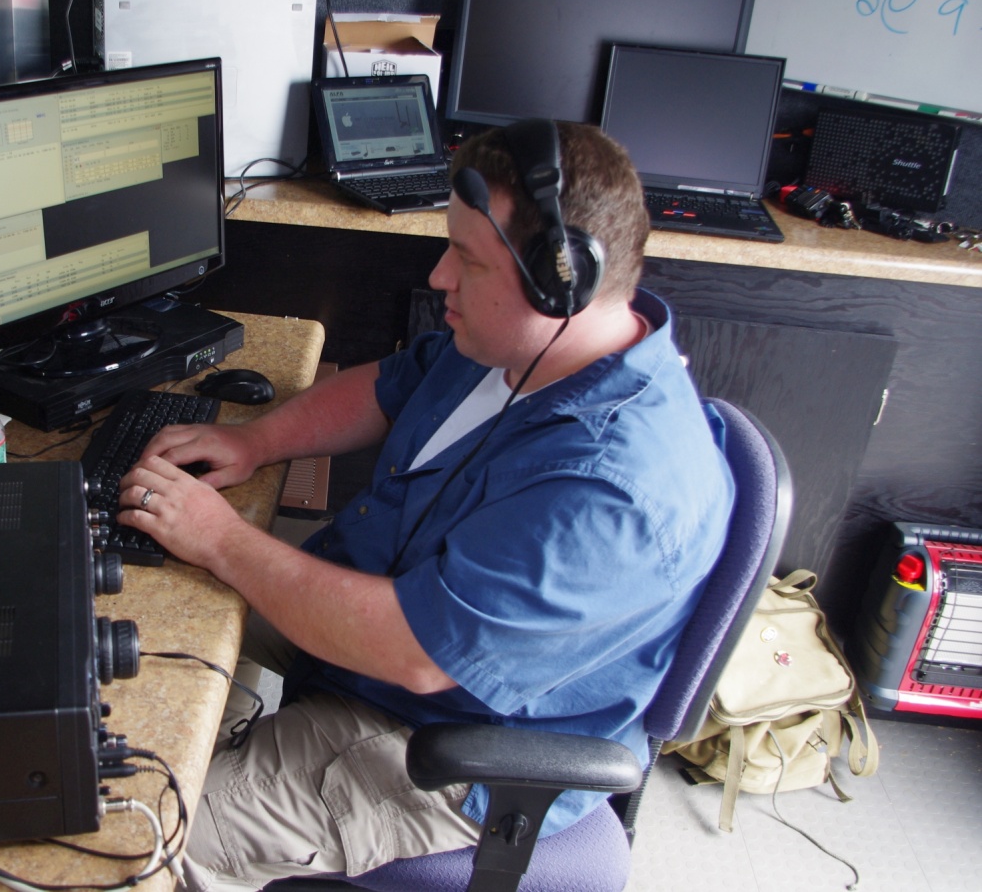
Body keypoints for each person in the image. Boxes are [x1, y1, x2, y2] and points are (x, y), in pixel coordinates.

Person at [117, 120, 735, 891]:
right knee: (133, 596)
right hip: (375, 615)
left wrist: (223, 541)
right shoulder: (514, 344)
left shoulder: (610, 494)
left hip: (429, 741)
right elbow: (387, 385)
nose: (440, 277)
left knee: (131, 835)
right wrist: (258, 442)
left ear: (561, 279)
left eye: (468, 260)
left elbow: (410, 650)